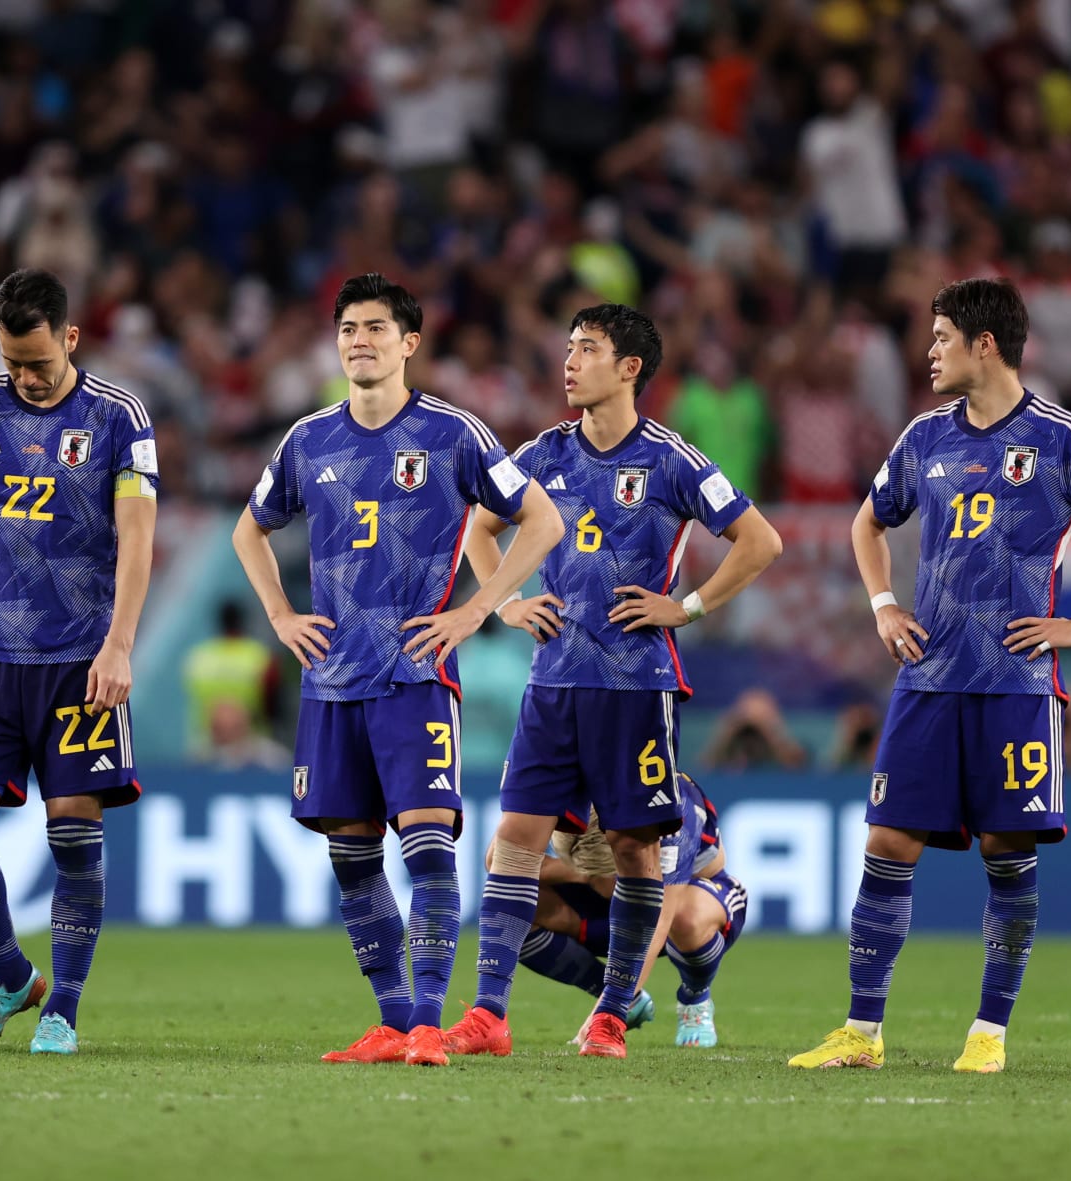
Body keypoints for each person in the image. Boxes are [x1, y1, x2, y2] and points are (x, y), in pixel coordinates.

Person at [790, 278, 1071, 1074]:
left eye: (939, 338)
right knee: (888, 841)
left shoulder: (1063, 437)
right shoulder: (925, 436)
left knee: (1007, 850)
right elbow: (868, 520)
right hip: (927, 679)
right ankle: (861, 1032)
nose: (928, 352)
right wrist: (885, 603)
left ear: (984, 344)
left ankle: (988, 1034)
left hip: (1015, 684)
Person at [232, 272, 563, 1067]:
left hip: (414, 677)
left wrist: (478, 610)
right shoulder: (308, 440)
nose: (359, 340)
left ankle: (425, 1025)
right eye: (348, 327)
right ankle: (391, 1021)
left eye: (376, 328)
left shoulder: (454, 434)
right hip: (330, 682)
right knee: (352, 857)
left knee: (427, 851)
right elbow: (250, 530)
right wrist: (280, 615)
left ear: (410, 343)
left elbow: (542, 520)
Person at [444, 303, 781, 1060]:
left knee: (633, 851)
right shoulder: (542, 453)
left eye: (587, 349)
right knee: (514, 844)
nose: (569, 362)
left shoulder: (671, 459)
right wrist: (506, 601)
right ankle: (488, 1016)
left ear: (629, 367)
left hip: (637, 686)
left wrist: (685, 607)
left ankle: (611, 1014)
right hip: (553, 682)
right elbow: (479, 526)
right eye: (567, 348)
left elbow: (760, 540)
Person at [0, 267, 157, 1056]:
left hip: (81, 661)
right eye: (13, 362)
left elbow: (138, 535)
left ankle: (64, 1010)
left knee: (74, 835)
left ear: (71, 338)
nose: (27, 378)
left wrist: (119, 643)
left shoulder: (118, 417)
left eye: (40, 363)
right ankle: (12, 976)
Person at [511, 773, 748, 1049]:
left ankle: (694, 997)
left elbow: (660, 919)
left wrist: (607, 1012)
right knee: (515, 907)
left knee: (687, 920)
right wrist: (585, 875)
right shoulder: (559, 780)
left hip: (678, 902)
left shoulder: (672, 811)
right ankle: (625, 995)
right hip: (606, 907)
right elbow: (498, 859)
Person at [181, 599, 277, 758]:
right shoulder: (259, 655)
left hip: (207, 742)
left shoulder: (199, 657)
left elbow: (193, 697)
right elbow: (272, 703)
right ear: (243, 621)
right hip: (251, 744)